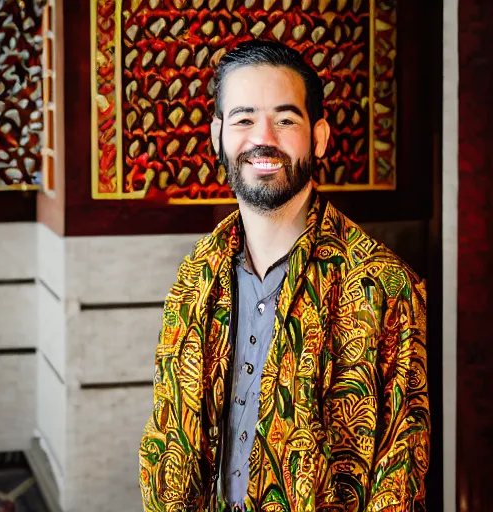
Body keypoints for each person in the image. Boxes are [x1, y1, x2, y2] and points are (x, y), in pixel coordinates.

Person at [139, 40, 430, 512]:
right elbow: (166, 435)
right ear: (218, 135)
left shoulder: (383, 285)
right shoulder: (195, 274)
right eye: (244, 118)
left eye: (286, 119)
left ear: (318, 137)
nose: (263, 138)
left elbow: (399, 475)